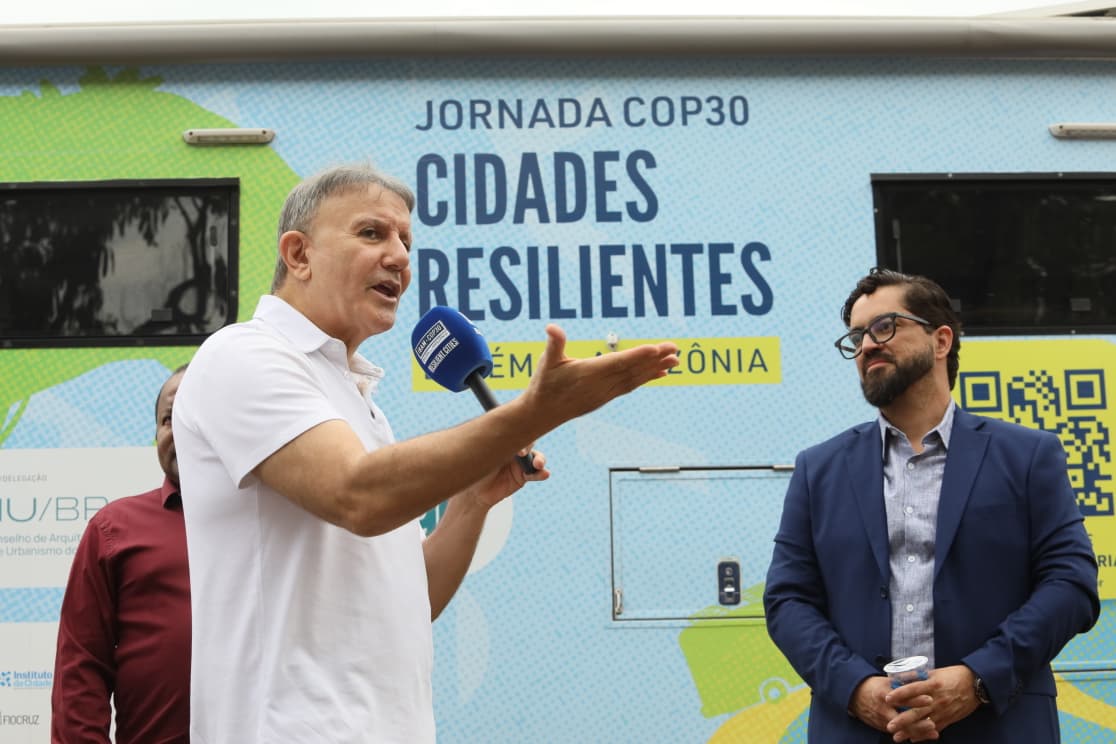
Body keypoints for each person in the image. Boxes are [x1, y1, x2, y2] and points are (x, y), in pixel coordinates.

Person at [172, 163, 680, 743]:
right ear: (298, 254)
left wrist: (470, 503)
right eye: (372, 234)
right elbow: (357, 493)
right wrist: (538, 411)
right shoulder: (243, 355)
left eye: (406, 242)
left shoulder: (359, 401)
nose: (399, 257)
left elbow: (413, 600)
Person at [763, 268, 1099, 743]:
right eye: (857, 337)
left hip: (999, 724)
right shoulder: (819, 469)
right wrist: (857, 688)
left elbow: (1072, 583)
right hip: (858, 729)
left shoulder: (1027, 456)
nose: (867, 345)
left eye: (885, 326)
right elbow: (787, 600)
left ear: (941, 340)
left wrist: (978, 678)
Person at [51, 365, 191, 744]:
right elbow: (80, 668)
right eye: (166, 420)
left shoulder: (275, 523)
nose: (177, 430)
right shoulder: (115, 529)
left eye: (193, 413)